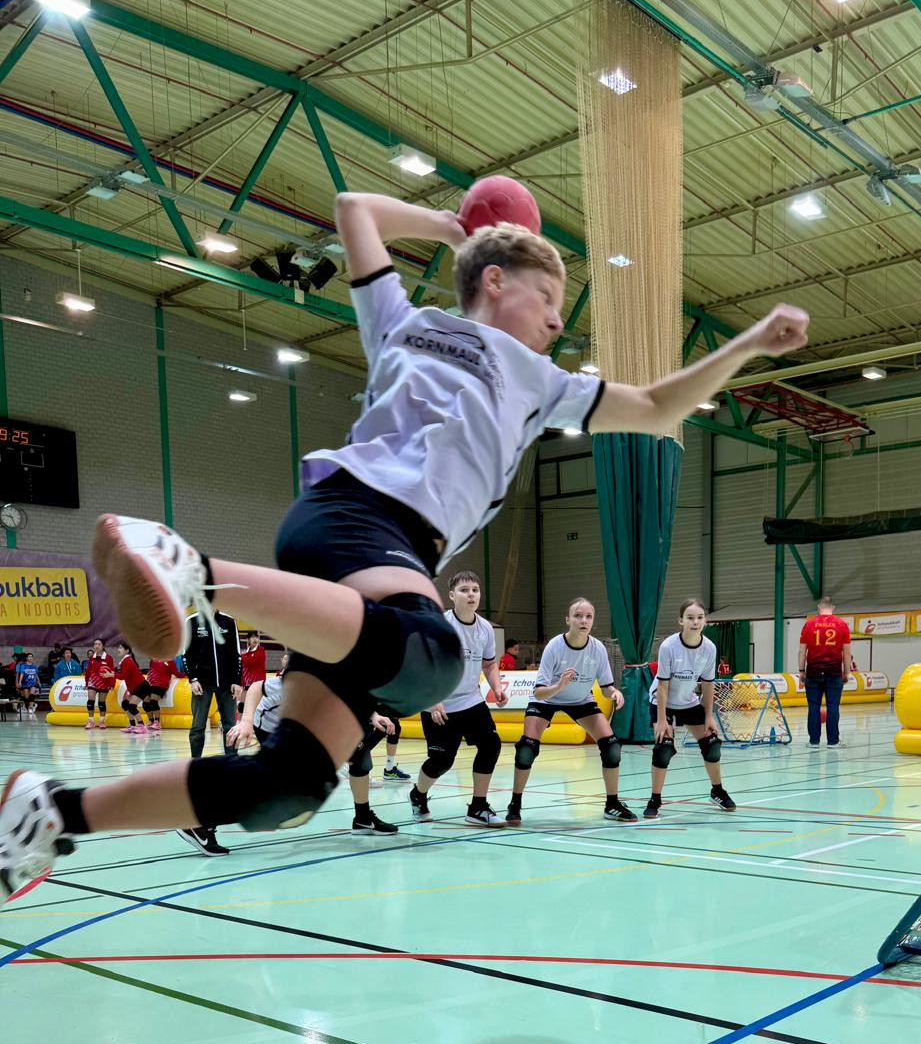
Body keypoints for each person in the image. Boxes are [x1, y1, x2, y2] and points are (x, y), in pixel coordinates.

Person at [0, 186, 809, 900]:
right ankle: (192, 573)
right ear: (495, 281)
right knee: (434, 656)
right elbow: (354, 211)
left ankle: (55, 811)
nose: (559, 319)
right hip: (363, 522)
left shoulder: (449, 341)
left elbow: (658, 407)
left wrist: (745, 347)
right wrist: (455, 228)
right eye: (549, 296)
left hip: (356, 556)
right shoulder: (443, 334)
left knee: (285, 787)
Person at [226, 655, 397, 838]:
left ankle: (363, 818)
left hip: (306, 720)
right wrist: (246, 721)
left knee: (359, 753)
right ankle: (213, 813)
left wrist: (374, 716)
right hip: (270, 725)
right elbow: (256, 688)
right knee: (278, 784)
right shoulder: (302, 678)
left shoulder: (340, 671)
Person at [507, 598, 635, 823]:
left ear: (593, 621)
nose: (583, 620)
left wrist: (614, 692)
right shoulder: (555, 647)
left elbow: (606, 687)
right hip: (547, 699)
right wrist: (558, 687)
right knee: (527, 749)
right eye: (578, 616)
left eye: (588, 616)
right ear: (568, 619)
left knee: (612, 747)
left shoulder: (598, 649)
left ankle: (612, 804)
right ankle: (515, 804)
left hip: (580, 701)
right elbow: (539, 693)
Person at [409, 570, 509, 827]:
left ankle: (478, 807)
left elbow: (489, 664)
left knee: (491, 744)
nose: (471, 594)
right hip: (439, 702)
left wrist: (497, 688)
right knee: (442, 761)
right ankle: (418, 794)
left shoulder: (485, 628)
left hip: (470, 700)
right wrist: (434, 700)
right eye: (464, 590)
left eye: (475, 590)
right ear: (452, 596)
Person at [644, 598, 734, 819]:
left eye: (700, 618)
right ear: (681, 620)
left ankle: (717, 791)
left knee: (711, 744)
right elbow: (663, 686)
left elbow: (708, 683)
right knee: (663, 748)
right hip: (662, 701)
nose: (695, 622)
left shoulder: (709, 648)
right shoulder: (669, 646)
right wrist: (662, 720)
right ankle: (655, 799)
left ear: (705, 621)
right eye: (690, 618)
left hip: (688, 701)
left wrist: (709, 716)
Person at [177, 608, 241, 856]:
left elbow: (236, 653)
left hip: (226, 684)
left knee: (230, 725)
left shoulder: (229, 621)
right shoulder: (192, 621)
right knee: (198, 726)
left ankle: (231, 760)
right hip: (202, 684)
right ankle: (196, 761)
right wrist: (192, 678)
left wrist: (236, 680)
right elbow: (186, 653)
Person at [798, 597, 852, 749]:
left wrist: (801, 670)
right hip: (833, 671)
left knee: (813, 706)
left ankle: (814, 741)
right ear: (832, 607)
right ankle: (833, 741)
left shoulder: (809, 624)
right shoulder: (842, 624)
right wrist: (846, 672)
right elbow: (847, 652)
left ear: (818, 607)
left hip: (813, 670)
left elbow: (802, 651)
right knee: (833, 706)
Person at [114, 643, 151, 734]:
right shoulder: (124, 661)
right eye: (118, 647)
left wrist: (111, 674)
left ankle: (141, 726)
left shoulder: (127, 661)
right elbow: (128, 678)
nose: (118, 649)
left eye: (121, 648)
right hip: (136, 688)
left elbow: (122, 676)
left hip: (142, 686)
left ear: (127, 650)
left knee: (132, 706)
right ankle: (132, 725)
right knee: (125, 704)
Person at [144, 655, 185, 732]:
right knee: (145, 703)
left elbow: (176, 672)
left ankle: (157, 722)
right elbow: (151, 670)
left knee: (153, 702)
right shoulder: (153, 659)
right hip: (150, 684)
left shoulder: (169, 661)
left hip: (160, 685)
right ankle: (151, 721)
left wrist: (185, 675)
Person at [83, 639, 115, 730]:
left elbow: (112, 671)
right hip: (92, 682)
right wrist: (86, 682)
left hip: (104, 683)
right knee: (90, 701)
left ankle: (102, 721)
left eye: (99, 644)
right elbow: (88, 671)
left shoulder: (108, 658)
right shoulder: (92, 657)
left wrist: (111, 683)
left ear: (103, 646)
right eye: (95, 644)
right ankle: (91, 721)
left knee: (101, 703)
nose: (97, 646)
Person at [236, 632, 267, 721]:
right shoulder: (246, 652)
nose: (255, 639)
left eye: (256, 637)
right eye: (252, 637)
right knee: (241, 706)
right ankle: (239, 724)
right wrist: (241, 683)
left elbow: (251, 661)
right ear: (248, 640)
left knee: (256, 707)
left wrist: (242, 656)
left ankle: (256, 725)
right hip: (247, 683)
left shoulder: (261, 650)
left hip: (257, 684)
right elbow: (243, 668)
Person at [14, 653, 39, 718]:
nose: (30, 658)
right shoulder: (21, 665)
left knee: (32, 692)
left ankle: (30, 707)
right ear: (26, 658)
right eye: (29, 657)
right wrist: (18, 682)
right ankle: (32, 705)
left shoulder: (34, 666)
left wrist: (38, 682)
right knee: (26, 696)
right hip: (24, 683)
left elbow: (36, 675)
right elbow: (20, 674)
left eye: (31, 657)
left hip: (32, 683)